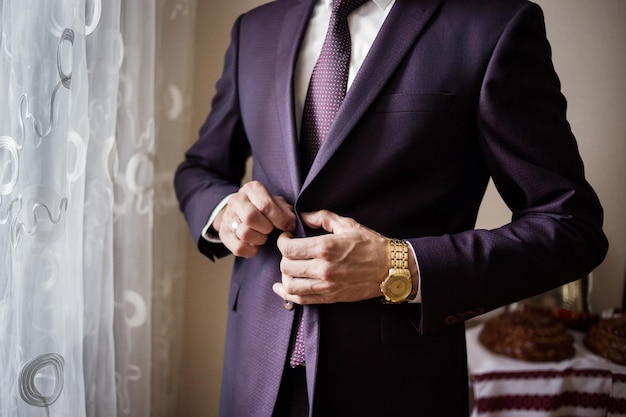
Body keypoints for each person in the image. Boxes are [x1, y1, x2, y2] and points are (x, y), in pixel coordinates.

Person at [174, 0, 608, 415]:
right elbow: (199, 169)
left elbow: (571, 226)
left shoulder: (494, 25)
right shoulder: (255, 28)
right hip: (252, 371)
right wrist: (225, 211)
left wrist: (399, 266)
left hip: (397, 386)